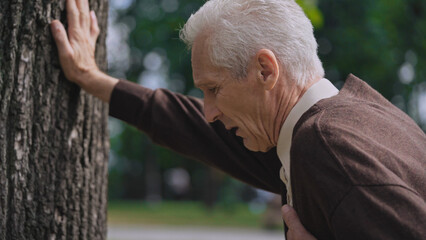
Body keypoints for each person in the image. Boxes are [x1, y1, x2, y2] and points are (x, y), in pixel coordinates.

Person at [50, 0, 426, 239]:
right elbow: (196, 128)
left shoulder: (325, 149)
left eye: (213, 89)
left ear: (265, 70)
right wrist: (92, 79)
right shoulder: (356, 117)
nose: (210, 111)